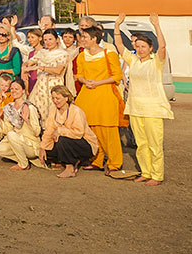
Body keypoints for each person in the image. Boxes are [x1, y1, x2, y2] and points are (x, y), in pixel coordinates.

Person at [115, 13, 172, 186]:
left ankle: (157, 175)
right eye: (138, 46)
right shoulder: (133, 60)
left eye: (143, 46)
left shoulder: (156, 62)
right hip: (135, 108)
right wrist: (117, 26)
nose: (140, 49)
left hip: (153, 109)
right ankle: (146, 172)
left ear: (150, 48)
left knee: (155, 144)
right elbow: (119, 46)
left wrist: (156, 25)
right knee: (141, 144)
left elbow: (162, 47)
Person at [74, 24, 124, 173]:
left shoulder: (109, 54)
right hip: (87, 96)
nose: (82, 39)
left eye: (85, 37)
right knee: (91, 130)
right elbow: (79, 75)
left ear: (94, 38)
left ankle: (115, 163)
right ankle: (97, 160)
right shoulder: (82, 55)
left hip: (105, 95)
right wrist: (85, 81)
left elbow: (117, 76)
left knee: (108, 131)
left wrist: (98, 82)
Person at [40, 85, 99, 178]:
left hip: (85, 144)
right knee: (46, 151)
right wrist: (43, 148)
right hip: (65, 143)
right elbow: (48, 130)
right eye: (53, 98)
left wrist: (59, 130)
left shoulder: (76, 111)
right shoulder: (53, 111)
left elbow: (79, 133)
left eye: (58, 98)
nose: (55, 101)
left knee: (62, 140)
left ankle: (70, 168)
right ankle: (68, 161)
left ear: (66, 98)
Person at [0, 78, 43, 170]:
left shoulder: (30, 107)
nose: (13, 91)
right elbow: (6, 131)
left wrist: (26, 120)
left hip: (30, 144)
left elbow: (37, 132)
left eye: (17, 89)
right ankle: (23, 159)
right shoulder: (9, 108)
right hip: (15, 140)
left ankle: (23, 164)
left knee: (12, 135)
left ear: (23, 91)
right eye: (12, 89)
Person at [25, 28, 68, 121]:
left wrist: (41, 68)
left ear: (57, 40)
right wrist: (25, 68)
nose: (48, 42)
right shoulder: (42, 53)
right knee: (38, 115)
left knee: (55, 116)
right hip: (41, 88)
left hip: (55, 88)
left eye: (50, 39)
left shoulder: (62, 54)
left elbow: (58, 70)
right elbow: (29, 62)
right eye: (45, 40)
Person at [0, 21, 22, 96]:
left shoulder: (13, 50)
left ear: (8, 36)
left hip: (7, 83)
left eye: (3, 35)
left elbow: (17, 70)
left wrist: (3, 70)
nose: (0, 37)